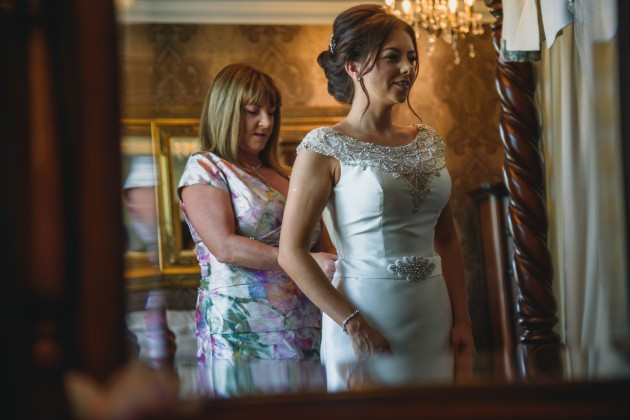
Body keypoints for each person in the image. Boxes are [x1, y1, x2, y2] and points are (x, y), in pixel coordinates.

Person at [278, 4, 475, 390]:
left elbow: (447, 240)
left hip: (434, 316)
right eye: (393, 57)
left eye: (411, 57)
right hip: (365, 319)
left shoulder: (429, 142)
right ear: (353, 66)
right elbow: (291, 252)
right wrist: (354, 324)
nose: (407, 68)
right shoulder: (323, 147)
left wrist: (463, 319)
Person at [177, 63, 337, 366]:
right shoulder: (206, 168)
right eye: (253, 111)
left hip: (308, 322)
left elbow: (324, 245)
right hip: (242, 331)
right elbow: (225, 247)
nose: (266, 123)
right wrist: (303, 261)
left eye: (272, 112)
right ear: (225, 112)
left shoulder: (287, 176)